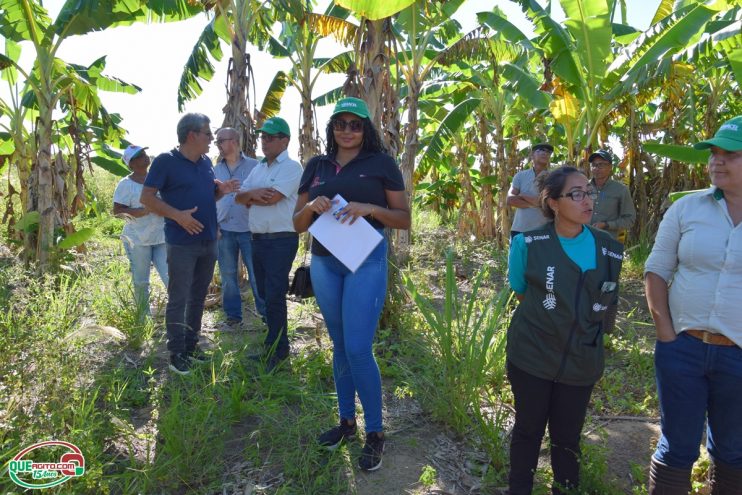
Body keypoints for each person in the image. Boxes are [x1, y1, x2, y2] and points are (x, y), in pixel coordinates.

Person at [293, 97, 411, 472]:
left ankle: (375, 432)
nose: (347, 130)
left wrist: (369, 209)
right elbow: (297, 223)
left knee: (359, 348)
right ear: (331, 129)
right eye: (340, 124)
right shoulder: (316, 166)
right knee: (340, 346)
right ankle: (347, 423)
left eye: (355, 124)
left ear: (366, 128)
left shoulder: (381, 164)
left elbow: (404, 219)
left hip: (365, 260)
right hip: (326, 263)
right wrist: (313, 207)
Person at [506, 166, 623, 494]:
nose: (586, 200)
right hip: (532, 357)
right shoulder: (529, 244)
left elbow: (607, 302)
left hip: (581, 362)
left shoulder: (609, 248)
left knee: (567, 439)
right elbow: (521, 290)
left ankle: (566, 488)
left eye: (588, 192)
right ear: (553, 203)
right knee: (527, 431)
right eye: (576, 194)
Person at [644, 116, 742, 494]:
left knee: (734, 451)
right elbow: (655, 271)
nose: (716, 161)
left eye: (729, 155)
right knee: (678, 446)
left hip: (738, 355)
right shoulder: (687, 209)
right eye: (713, 154)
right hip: (682, 348)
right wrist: (666, 334)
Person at [140, 113, 239, 375]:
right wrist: (178, 216)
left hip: (208, 240)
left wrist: (222, 191)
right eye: (208, 134)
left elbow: (209, 195)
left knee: (198, 296)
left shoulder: (206, 162)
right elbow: (147, 198)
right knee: (179, 298)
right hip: (182, 242)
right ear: (193, 135)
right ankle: (176, 353)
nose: (212, 140)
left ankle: (192, 346)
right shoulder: (165, 162)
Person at [235, 117, 302, 371]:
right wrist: (251, 195)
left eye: (271, 137)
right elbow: (239, 197)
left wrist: (252, 195)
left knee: (274, 295)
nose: (265, 141)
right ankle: (273, 344)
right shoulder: (260, 168)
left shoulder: (292, 167)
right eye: (263, 137)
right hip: (258, 239)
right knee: (264, 294)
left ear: (285, 141)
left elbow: (272, 199)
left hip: (280, 239)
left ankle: (278, 351)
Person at [214, 127, 265, 325]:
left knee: (256, 274)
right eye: (217, 141)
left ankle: (265, 314)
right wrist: (214, 226)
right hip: (224, 228)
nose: (218, 145)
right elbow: (209, 199)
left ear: (234, 141)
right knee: (227, 275)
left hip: (250, 229)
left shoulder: (255, 165)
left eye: (221, 141)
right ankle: (233, 317)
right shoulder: (215, 169)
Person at [113, 145, 168, 316]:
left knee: (170, 277)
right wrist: (142, 212)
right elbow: (117, 211)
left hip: (161, 236)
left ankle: (179, 314)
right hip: (138, 239)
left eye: (144, 153)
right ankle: (143, 318)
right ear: (132, 163)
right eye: (140, 155)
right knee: (141, 281)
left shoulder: (157, 179)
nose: (145, 156)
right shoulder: (125, 184)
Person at [506, 143, 554, 239]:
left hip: (544, 231)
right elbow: (510, 200)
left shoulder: (553, 177)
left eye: (548, 152)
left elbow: (549, 203)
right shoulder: (520, 175)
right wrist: (536, 204)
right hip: (519, 229)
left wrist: (522, 195)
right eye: (541, 150)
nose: (545, 153)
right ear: (532, 155)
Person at [588, 149, 636, 241]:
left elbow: (629, 220)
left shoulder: (620, 190)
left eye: (601, 165)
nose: (596, 168)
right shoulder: (583, 187)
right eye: (594, 165)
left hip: (607, 242)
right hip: (582, 239)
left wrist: (606, 225)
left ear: (610, 167)